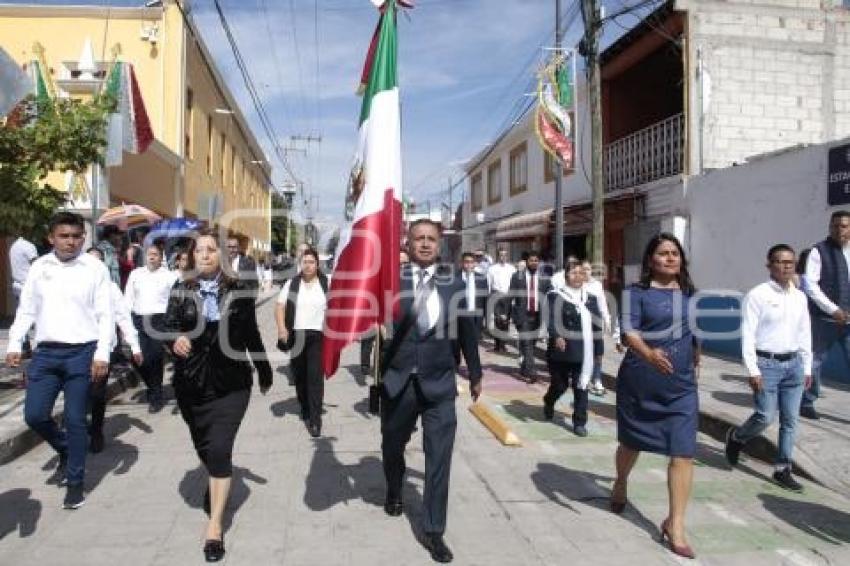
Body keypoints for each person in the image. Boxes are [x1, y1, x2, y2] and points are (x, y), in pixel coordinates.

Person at [162, 229, 272, 562]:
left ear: (222, 255)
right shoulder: (181, 290)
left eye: (212, 250)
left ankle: (214, 527)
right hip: (191, 384)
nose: (206, 255)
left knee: (220, 448)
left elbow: (251, 333)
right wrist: (174, 339)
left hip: (232, 383)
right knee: (205, 447)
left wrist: (264, 369)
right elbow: (166, 325)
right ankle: (215, 476)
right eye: (200, 251)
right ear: (192, 257)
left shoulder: (240, 290)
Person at [381, 219, 482, 563]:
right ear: (407, 243)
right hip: (399, 381)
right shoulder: (391, 281)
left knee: (439, 457)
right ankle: (394, 489)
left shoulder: (453, 282)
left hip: (440, 383)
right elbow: (369, 315)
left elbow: (467, 328)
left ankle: (434, 529)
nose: (424, 244)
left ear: (439, 245)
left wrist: (476, 371)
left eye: (431, 239)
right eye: (418, 238)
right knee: (392, 445)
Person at [5, 212, 114, 509]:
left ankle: (76, 482)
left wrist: (103, 353)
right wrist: (15, 343)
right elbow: (26, 309)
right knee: (35, 415)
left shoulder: (95, 268)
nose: (71, 242)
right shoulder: (39, 267)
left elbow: (106, 314)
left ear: (83, 237)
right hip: (46, 354)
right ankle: (67, 450)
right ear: (51, 238)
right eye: (64, 236)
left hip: (83, 352)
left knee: (77, 420)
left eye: (77, 236)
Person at [612, 232, 699, 559]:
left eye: (675, 253)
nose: (670, 258)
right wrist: (648, 354)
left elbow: (693, 331)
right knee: (631, 443)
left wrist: (696, 354)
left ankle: (675, 524)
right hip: (641, 380)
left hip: (681, 387)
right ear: (651, 260)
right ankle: (620, 482)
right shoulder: (636, 293)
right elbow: (629, 330)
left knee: (683, 452)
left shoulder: (691, 293)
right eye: (663, 253)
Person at [725, 244, 812, 492]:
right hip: (767, 365)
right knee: (765, 416)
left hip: (794, 365)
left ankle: (782, 468)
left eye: (790, 262)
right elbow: (748, 334)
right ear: (769, 266)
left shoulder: (800, 297)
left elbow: (805, 333)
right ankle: (737, 437)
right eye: (780, 262)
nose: (786, 266)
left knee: (790, 420)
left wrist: (807, 367)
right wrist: (752, 370)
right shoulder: (757, 295)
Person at [85, 247, 143, 453]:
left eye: (98, 261)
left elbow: (123, 318)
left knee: (97, 393)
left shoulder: (111, 288)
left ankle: (96, 431)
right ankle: (78, 432)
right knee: (79, 393)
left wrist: (134, 345)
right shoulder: (70, 284)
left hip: (102, 349)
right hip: (76, 348)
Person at [544, 261, 603, 437]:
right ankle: (549, 401)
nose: (577, 276)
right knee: (559, 385)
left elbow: (596, 326)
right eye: (573, 273)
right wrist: (556, 336)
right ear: (566, 276)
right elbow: (551, 318)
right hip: (561, 350)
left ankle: (579, 422)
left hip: (583, 351)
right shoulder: (556, 296)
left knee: (581, 385)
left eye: (581, 273)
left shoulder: (590, 298)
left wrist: (598, 350)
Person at [801, 210, 850, 420]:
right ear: (829, 227)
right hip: (825, 319)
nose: (839, 230)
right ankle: (807, 401)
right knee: (815, 361)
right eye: (835, 225)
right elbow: (810, 285)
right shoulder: (818, 251)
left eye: (844, 226)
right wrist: (834, 310)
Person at [275, 249, 329, 437]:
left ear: (317, 264)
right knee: (300, 376)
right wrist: (282, 328)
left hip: (318, 336)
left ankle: (315, 419)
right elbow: (280, 306)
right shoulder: (292, 283)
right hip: (297, 335)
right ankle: (305, 407)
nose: (308, 265)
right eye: (305, 262)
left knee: (315, 378)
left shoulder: (326, 283)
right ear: (300, 264)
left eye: (311, 262)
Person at [124, 244, 179, 413]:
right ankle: (153, 387)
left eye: (155, 254)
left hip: (158, 319)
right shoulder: (136, 274)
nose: (152, 257)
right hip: (138, 319)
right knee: (136, 357)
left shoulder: (169, 276)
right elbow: (128, 298)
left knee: (154, 357)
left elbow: (174, 300)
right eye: (149, 254)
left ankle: (155, 396)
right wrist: (125, 321)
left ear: (161, 257)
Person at [361, 250, 410, 376]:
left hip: (407, 327)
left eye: (406, 263)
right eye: (400, 264)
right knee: (383, 352)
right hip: (386, 324)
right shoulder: (386, 280)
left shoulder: (414, 280)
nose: (403, 267)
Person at [510, 251, 549, 382]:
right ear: (527, 262)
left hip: (537, 315)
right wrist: (505, 313)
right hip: (522, 315)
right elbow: (511, 295)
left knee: (532, 343)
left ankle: (524, 368)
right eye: (531, 260)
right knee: (527, 343)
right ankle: (532, 372)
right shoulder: (517, 276)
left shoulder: (544, 278)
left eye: (536, 261)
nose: (534, 263)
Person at [454, 252, 487, 367]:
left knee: (472, 346)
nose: (469, 265)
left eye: (471, 262)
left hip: (474, 317)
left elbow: (485, 300)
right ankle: (455, 364)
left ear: (475, 264)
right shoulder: (454, 278)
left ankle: (473, 370)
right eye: (466, 262)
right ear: (462, 263)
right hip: (458, 317)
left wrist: (486, 320)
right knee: (456, 344)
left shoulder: (481, 279)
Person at [9, 235, 38, 356]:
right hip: (28, 286)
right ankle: (39, 346)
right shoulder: (28, 246)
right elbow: (37, 265)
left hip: (18, 285)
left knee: (22, 315)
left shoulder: (15, 245)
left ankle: (24, 346)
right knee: (39, 316)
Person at [487, 249, 516, 353]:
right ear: (498, 256)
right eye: (501, 255)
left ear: (507, 256)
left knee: (505, 321)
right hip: (496, 294)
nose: (503, 257)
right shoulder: (492, 269)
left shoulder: (512, 269)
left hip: (507, 295)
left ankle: (503, 344)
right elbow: (489, 284)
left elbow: (513, 284)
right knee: (497, 320)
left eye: (505, 255)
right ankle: (497, 344)